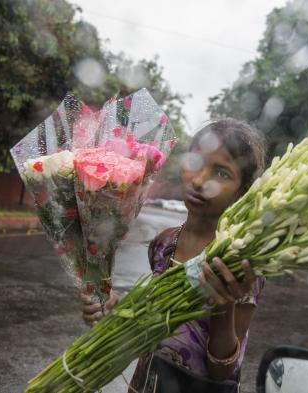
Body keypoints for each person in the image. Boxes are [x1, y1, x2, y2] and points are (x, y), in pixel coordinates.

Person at [81, 117, 267, 392]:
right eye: (195, 162)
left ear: (242, 191)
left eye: (222, 173)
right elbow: (152, 329)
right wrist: (112, 310)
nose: (201, 180)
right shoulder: (164, 244)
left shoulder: (240, 263)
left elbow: (222, 369)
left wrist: (223, 306)